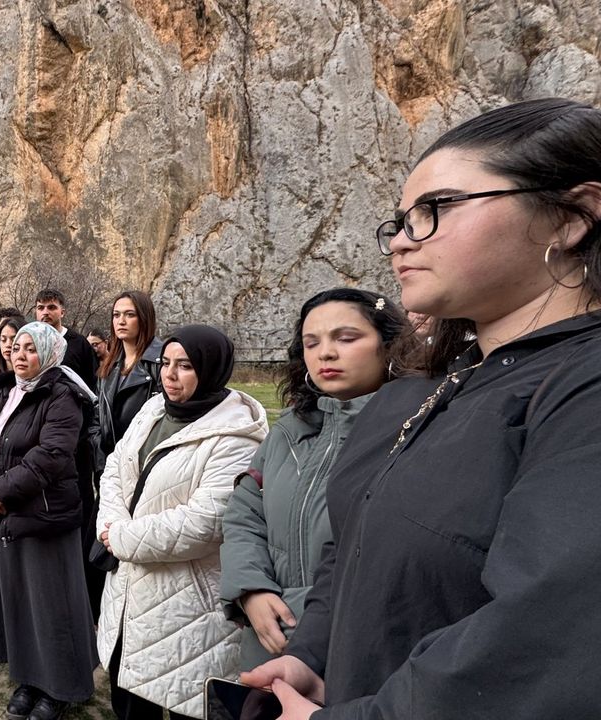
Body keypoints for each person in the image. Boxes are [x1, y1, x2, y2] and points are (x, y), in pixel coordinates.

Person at [244, 97, 601, 718]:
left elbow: (544, 638)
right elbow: (353, 546)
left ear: (573, 217)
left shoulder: (582, 386)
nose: (402, 244)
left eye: (435, 210)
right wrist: (314, 653)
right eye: (401, 222)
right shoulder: (427, 386)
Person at [219, 289, 409, 672]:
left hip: (363, 650)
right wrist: (252, 589)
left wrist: (307, 613)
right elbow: (243, 513)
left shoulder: (417, 430)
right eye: (312, 342)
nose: (325, 353)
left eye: (346, 338)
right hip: (271, 638)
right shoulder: (288, 430)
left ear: (389, 346)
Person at [97, 325, 267, 719]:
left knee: (184, 698)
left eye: (185, 366)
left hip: (186, 607)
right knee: (130, 703)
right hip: (128, 593)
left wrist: (118, 537)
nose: (169, 375)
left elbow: (205, 523)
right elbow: (114, 472)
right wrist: (110, 522)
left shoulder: (236, 436)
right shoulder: (154, 409)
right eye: (165, 364)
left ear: (210, 370)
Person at [0, 321, 98, 720]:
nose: (19, 355)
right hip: (6, 513)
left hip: (45, 514)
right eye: (15, 347)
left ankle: (59, 688)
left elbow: (52, 455)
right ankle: (29, 678)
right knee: (21, 602)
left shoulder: (62, 394)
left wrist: (1, 491)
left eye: (30, 349)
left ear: (50, 353)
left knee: (52, 606)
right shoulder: (3, 391)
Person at [96, 291, 164, 459]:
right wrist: (99, 457)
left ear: (144, 318)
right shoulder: (109, 366)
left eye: (130, 315)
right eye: (116, 315)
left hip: (145, 461)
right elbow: (97, 416)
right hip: (111, 464)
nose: (121, 321)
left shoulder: (162, 362)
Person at [34, 288, 99, 392]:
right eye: (41, 308)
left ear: (62, 313)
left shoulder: (79, 343)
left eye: (51, 307)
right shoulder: (30, 342)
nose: (45, 312)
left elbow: (93, 381)